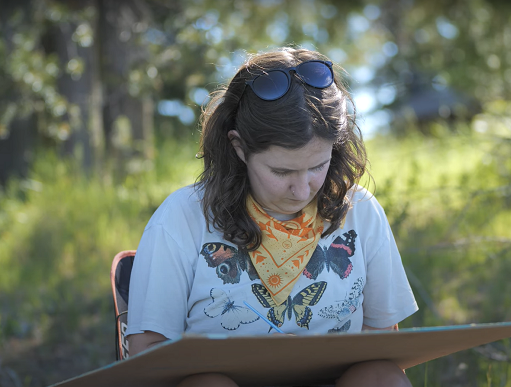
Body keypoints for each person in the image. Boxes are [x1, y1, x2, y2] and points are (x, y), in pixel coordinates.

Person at [127, 47, 418, 387]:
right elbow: (148, 354)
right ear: (239, 148)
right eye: (281, 171)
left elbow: (381, 341)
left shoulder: (360, 211)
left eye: (318, 166)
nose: (302, 189)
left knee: (384, 378)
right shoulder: (182, 218)